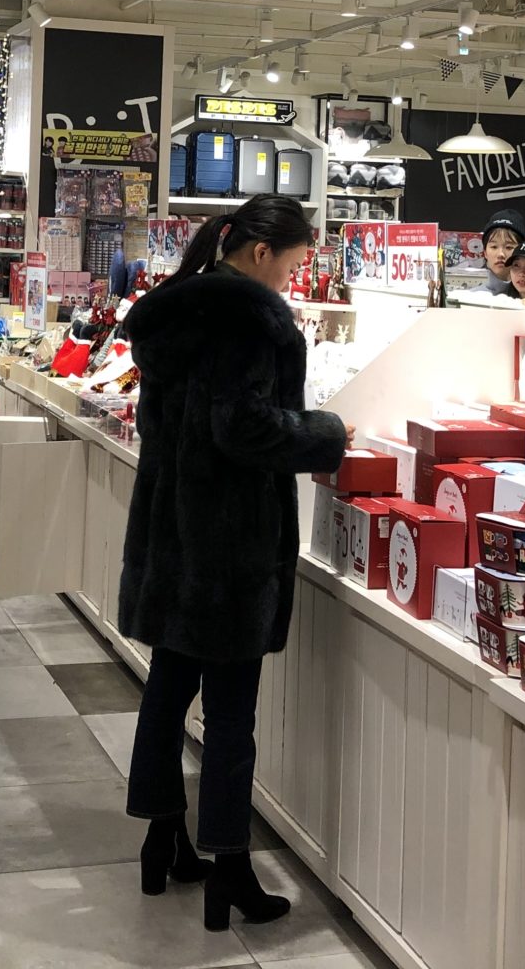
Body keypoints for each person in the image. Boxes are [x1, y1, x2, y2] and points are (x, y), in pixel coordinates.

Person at [117, 195, 349, 932]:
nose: (293, 277)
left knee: (166, 690)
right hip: (229, 544)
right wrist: (326, 435)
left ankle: (163, 837)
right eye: (293, 263)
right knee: (229, 716)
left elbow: (171, 422)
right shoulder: (251, 320)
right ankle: (231, 868)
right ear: (260, 253)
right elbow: (243, 427)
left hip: (170, 533)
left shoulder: (174, 310)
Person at [480, 209, 525, 292]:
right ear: (485, 253)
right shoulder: (472, 297)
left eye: (509, 247)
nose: (501, 254)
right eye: (494, 247)